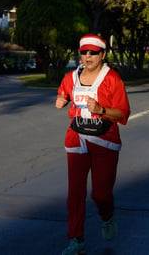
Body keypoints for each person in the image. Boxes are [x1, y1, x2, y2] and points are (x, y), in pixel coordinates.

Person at [56, 33, 131, 255]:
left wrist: (102, 110)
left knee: (100, 194)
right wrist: (61, 99)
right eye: (84, 52)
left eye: (93, 52)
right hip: (77, 138)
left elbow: (123, 113)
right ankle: (76, 240)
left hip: (104, 140)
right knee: (75, 193)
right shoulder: (71, 77)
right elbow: (63, 92)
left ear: (103, 54)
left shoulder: (112, 79)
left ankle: (107, 217)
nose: (88, 56)